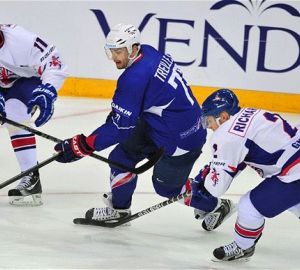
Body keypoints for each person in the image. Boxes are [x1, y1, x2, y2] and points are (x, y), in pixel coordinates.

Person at [53, 23, 235, 229]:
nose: (114, 57)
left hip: (182, 140)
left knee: (167, 190)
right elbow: (127, 117)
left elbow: (119, 128)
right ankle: (119, 210)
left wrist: (82, 145)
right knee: (121, 158)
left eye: (119, 51)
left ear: (133, 48)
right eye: (112, 52)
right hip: (160, 125)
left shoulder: (134, 78)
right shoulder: (148, 52)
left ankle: (216, 205)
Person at [192, 88, 300, 261]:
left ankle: (243, 247)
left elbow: (217, 188)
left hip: (294, 173)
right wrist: (214, 170)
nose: (209, 127)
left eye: (209, 121)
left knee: (249, 206)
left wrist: (204, 184)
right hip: (295, 157)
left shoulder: (225, 135)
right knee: (292, 201)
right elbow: (241, 155)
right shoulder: (250, 112)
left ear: (224, 116)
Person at [0, 24, 67, 206]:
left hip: (27, 80)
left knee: (14, 111)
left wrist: (48, 91)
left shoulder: (21, 40)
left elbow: (55, 62)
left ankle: (30, 174)